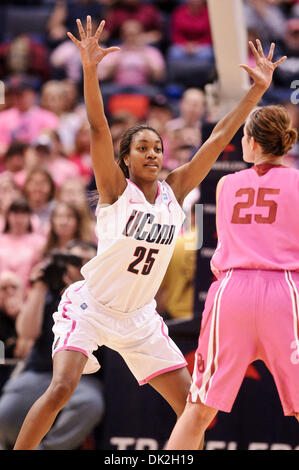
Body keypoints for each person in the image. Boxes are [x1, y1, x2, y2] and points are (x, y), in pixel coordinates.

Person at [13, 17, 285, 450]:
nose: (154, 154)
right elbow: (99, 126)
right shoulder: (115, 191)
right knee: (62, 388)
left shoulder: (173, 192)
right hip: (91, 305)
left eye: (158, 148)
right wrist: (89, 67)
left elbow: (216, 140)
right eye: (143, 148)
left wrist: (256, 90)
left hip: (139, 317)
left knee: (193, 410)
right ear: (126, 158)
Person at [166, 104, 299, 450]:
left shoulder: (225, 184)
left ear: (252, 142)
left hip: (232, 291)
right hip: (284, 290)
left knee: (197, 410)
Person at [0, 241, 104, 450]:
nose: (79, 266)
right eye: (74, 260)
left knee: (89, 404)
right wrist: (39, 287)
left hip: (82, 377)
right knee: (6, 413)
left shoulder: (102, 297)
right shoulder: (50, 292)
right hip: (39, 371)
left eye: (86, 261)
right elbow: (27, 332)